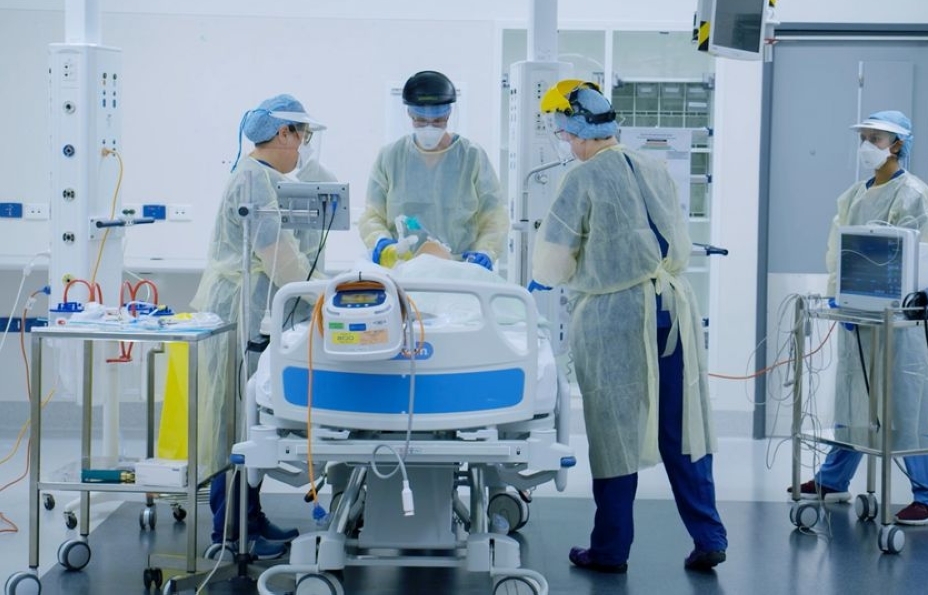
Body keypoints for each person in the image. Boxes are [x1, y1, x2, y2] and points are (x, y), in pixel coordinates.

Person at [531, 80, 727, 572]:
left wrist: (541, 281)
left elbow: (553, 263)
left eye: (563, 133)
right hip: (671, 311)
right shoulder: (654, 167)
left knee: (615, 432)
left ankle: (610, 550)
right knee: (684, 428)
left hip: (617, 318)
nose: (564, 142)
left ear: (576, 131)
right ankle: (709, 536)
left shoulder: (581, 178)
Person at [788, 110, 928, 525]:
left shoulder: (912, 194)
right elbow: (838, 253)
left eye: (875, 138)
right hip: (858, 315)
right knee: (854, 398)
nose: (867, 146)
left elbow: (916, 256)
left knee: (909, 403)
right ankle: (834, 480)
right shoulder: (854, 195)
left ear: (897, 144)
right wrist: (838, 300)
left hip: (902, 322)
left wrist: (885, 301)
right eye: (865, 137)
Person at [191, 93, 335, 559]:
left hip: (251, 307)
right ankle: (230, 532)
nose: (304, 146)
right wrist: (325, 293)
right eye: (303, 135)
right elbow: (279, 257)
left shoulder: (262, 177)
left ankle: (250, 519)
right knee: (235, 421)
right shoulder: (254, 179)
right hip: (239, 310)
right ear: (282, 133)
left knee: (250, 418)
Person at [358, 70, 508, 269]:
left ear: (448, 114)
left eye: (437, 121)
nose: (429, 127)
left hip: (458, 271)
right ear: (409, 113)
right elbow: (372, 215)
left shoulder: (471, 157)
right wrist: (381, 242)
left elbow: (494, 217)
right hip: (404, 270)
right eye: (421, 120)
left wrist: (485, 251)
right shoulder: (391, 157)